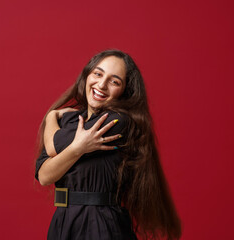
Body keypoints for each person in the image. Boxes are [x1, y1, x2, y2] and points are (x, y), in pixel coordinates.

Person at [34, 49, 181, 240]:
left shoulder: (117, 122)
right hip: (63, 224)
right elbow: (44, 176)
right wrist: (77, 147)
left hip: (99, 224)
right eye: (98, 73)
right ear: (87, 75)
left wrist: (51, 115)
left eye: (114, 81)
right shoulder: (71, 121)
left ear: (125, 91)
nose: (101, 85)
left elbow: (53, 146)